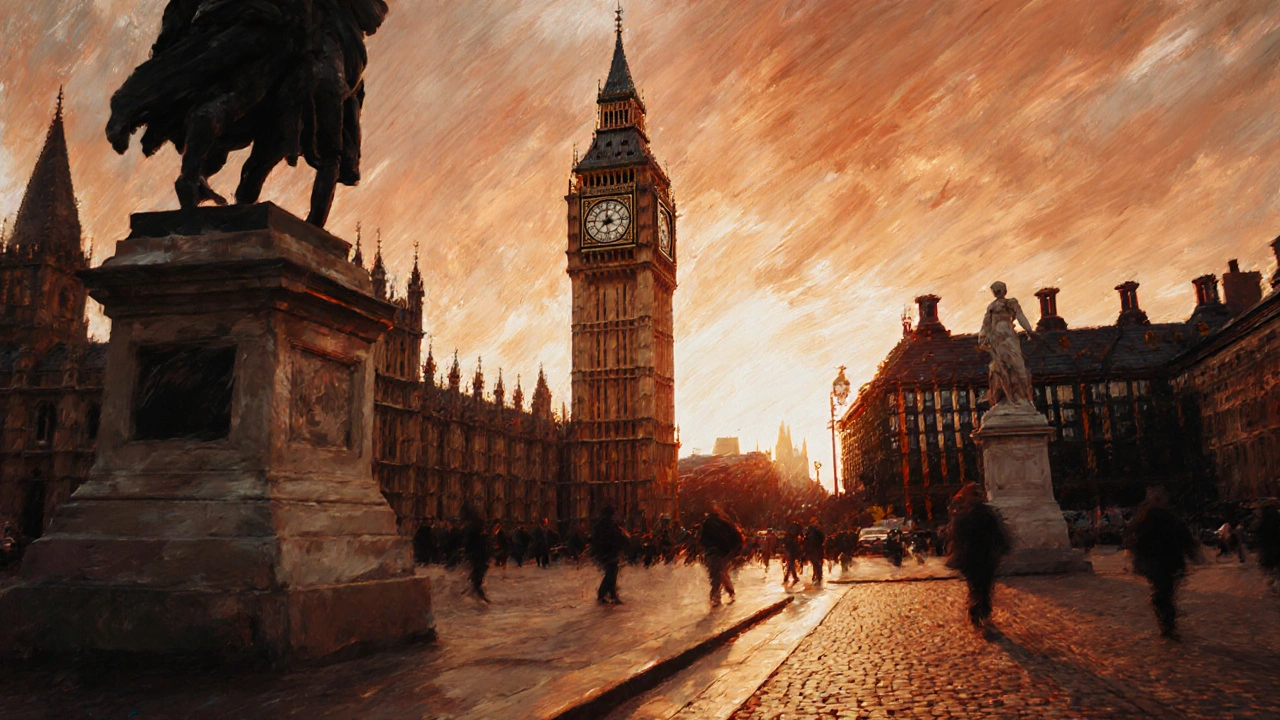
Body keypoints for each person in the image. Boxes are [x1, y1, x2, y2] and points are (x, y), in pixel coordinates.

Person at [1124, 487, 1200, 640]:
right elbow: (1185, 539)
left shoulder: (1145, 519)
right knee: (1165, 593)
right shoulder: (1160, 519)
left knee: (1163, 593)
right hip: (1165, 563)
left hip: (1160, 564)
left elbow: (1133, 541)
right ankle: (1167, 624)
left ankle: (1166, 623)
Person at [947, 482, 1011, 628]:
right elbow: (998, 533)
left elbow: (955, 536)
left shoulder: (962, 514)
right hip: (985, 555)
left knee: (976, 585)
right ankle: (982, 610)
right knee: (985, 586)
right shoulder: (987, 513)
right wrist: (1002, 547)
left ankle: (977, 610)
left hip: (971, 556)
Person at [977, 281, 1037, 407]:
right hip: (996, 340)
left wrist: (1029, 330)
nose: (997, 292)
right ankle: (1009, 399)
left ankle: (1025, 398)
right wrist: (984, 338)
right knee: (1002, 367)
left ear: (1004, 291)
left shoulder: (1011, 302)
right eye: (995, 290)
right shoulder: (991, 307)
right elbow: (986, 324)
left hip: (1009, 338)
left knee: (1018, 365)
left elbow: (1020, 316)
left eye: (999, 289)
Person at [700, 509, 744, 606]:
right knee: (720, 572)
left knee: (716, 573)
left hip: (713, 552)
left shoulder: (708, 524)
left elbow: (702, 539)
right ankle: (726, 592)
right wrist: (735, 551)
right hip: (725, 552)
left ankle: (716, 595)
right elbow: (737, 537)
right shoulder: (726, 524)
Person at [591, 506, 630, 604]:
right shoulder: (608, 524)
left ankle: (612, 595)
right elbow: (618, 537)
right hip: (609, 553)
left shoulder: (600, 525)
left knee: (612, 572)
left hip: (605, 553)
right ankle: (602, 595)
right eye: (614, 514)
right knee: (611, 573)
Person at [461, 505, 490, 603]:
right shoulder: (478, 527)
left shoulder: (472, 527)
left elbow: (469, 543)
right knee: (477, 577)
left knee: (476, 577)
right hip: (479, 556)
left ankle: (475, 594)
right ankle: (477, 594)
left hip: (477, 556)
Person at [1256, 503, 1280, 593]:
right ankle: (1276, 583)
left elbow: (1260, 538)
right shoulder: (1277, 522)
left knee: (1273, 568)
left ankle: (1275, 583)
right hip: (1277, 548)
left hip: (1269, 550)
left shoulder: (1263, 523)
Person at [804, 518, 826, 585]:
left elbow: (806, 542)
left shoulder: (809, 534)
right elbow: (823, 539)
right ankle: (818, 575)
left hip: (812, 550)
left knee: (815, 563)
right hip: (818, 549)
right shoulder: (818, 532)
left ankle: (816, 575)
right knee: (818, 563)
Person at [783, 521, 803, 585]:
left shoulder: (789, 531)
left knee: (791, 562)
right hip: (793, 548)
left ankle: (792, 576)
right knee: (791, 562)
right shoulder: (796, 531)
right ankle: (790, 576)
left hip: (789, 548)